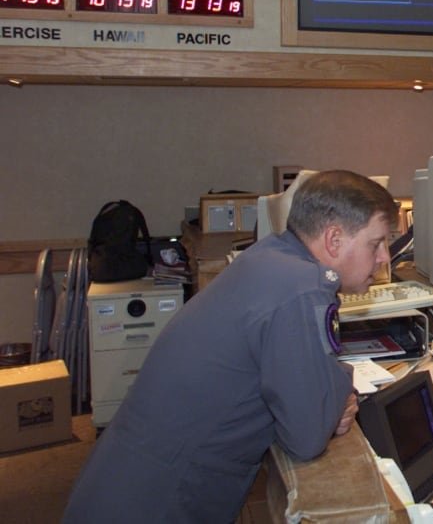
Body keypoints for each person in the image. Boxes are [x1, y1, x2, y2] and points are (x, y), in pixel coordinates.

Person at [64, 170, 397, 523]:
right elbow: (307, 435)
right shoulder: (302, 289)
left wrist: (330, 386)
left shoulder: (270, 256)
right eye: (376, 243)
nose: (385, 258)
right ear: (333, 239)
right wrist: (337, 394)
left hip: (124, 481)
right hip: (161, 501)